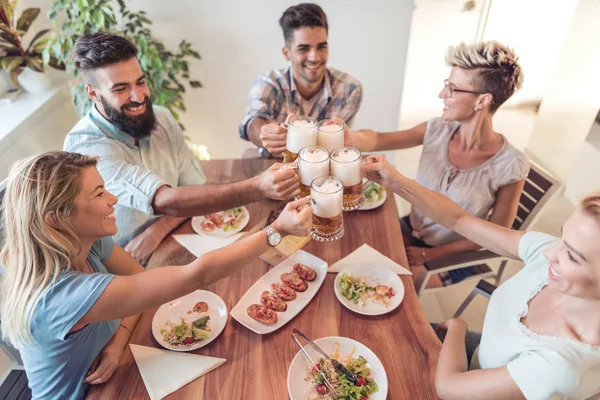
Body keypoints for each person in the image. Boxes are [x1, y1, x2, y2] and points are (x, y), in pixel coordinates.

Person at [0, 151, 312, 399]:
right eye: (97, 194)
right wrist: (277, 230)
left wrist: (116, 341)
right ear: (56, 218)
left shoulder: (86, 242)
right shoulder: (62, 296)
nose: (113, 200)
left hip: (111, 375)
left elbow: (139, 279)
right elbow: (194, 276)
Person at [363, 155, 600, 399]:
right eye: (562, 237)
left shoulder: (559, 365)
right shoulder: (550, 258)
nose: (550, 251)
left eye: (572, 256)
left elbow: (447, 388)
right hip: (477, 353)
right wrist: (396, 182)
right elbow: (459, 220)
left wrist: (458, 326)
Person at [64, 33, 300, 265]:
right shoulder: (85, 147)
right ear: (93, 93)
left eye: (141, 82)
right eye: (121, 89)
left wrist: (157, 230)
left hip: (173, 232)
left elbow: (193, 188)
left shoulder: (163, 118)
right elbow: (165, 200)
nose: (138, 96)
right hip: (119, 259)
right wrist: (258, 187)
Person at [349, 41, 529, 286]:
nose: (442, 95)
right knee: (352, 255)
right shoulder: (436, 129)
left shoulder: (510, 166)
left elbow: (494, 237)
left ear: (483, 100)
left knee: (385, 287)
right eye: (447, 85)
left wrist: (429, 254)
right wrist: (347, 136)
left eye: (453, 89)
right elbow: (380, 139)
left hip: (452, 255)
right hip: (410, 230)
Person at [239, 2, 362, 157]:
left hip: (322, 171)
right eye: (303, 48)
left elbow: (336, 147)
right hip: (274, 165)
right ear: (286, 53)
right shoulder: (268, 84)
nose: (314, 57)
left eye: (321, 47)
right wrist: (266, 134)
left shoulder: (350, 89)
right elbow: (252, 123)